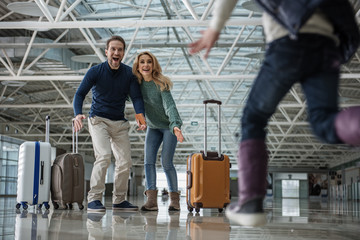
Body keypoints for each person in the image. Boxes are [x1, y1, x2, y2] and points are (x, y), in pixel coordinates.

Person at [189, 0, 360, 226]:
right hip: (326, 44)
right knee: (324, 123)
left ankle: (250, 203)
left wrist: (215, 27)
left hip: (288, 41)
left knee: (254, 118)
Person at [73, 35, 147, 213]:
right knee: (104, 156)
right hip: (98, 120)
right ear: (106, 52)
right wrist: (77, 114)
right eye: (113, 49)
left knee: (125, 161)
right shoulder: (95, 72)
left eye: (120, 50)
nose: (116, 52)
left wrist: (140, 115)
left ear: (123, 53)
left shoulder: (129, 74)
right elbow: (79, 94)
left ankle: (119, 200)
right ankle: (94, 199)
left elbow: (136, 97)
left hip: (119, 123)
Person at [132, 51, 184, 211]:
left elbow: (170, 106)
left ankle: (174, 200)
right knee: (148, 162)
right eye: (142, 62)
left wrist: (175, 125)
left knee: (166, 162)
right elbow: (133, 101)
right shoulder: (136, 86)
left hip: (169, 127)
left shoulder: (161, 84)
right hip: (153, 128)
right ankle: (152, 201)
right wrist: (140, 119)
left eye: (149, 62)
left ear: (153, 65)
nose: (146, 65)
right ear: (138, 66)